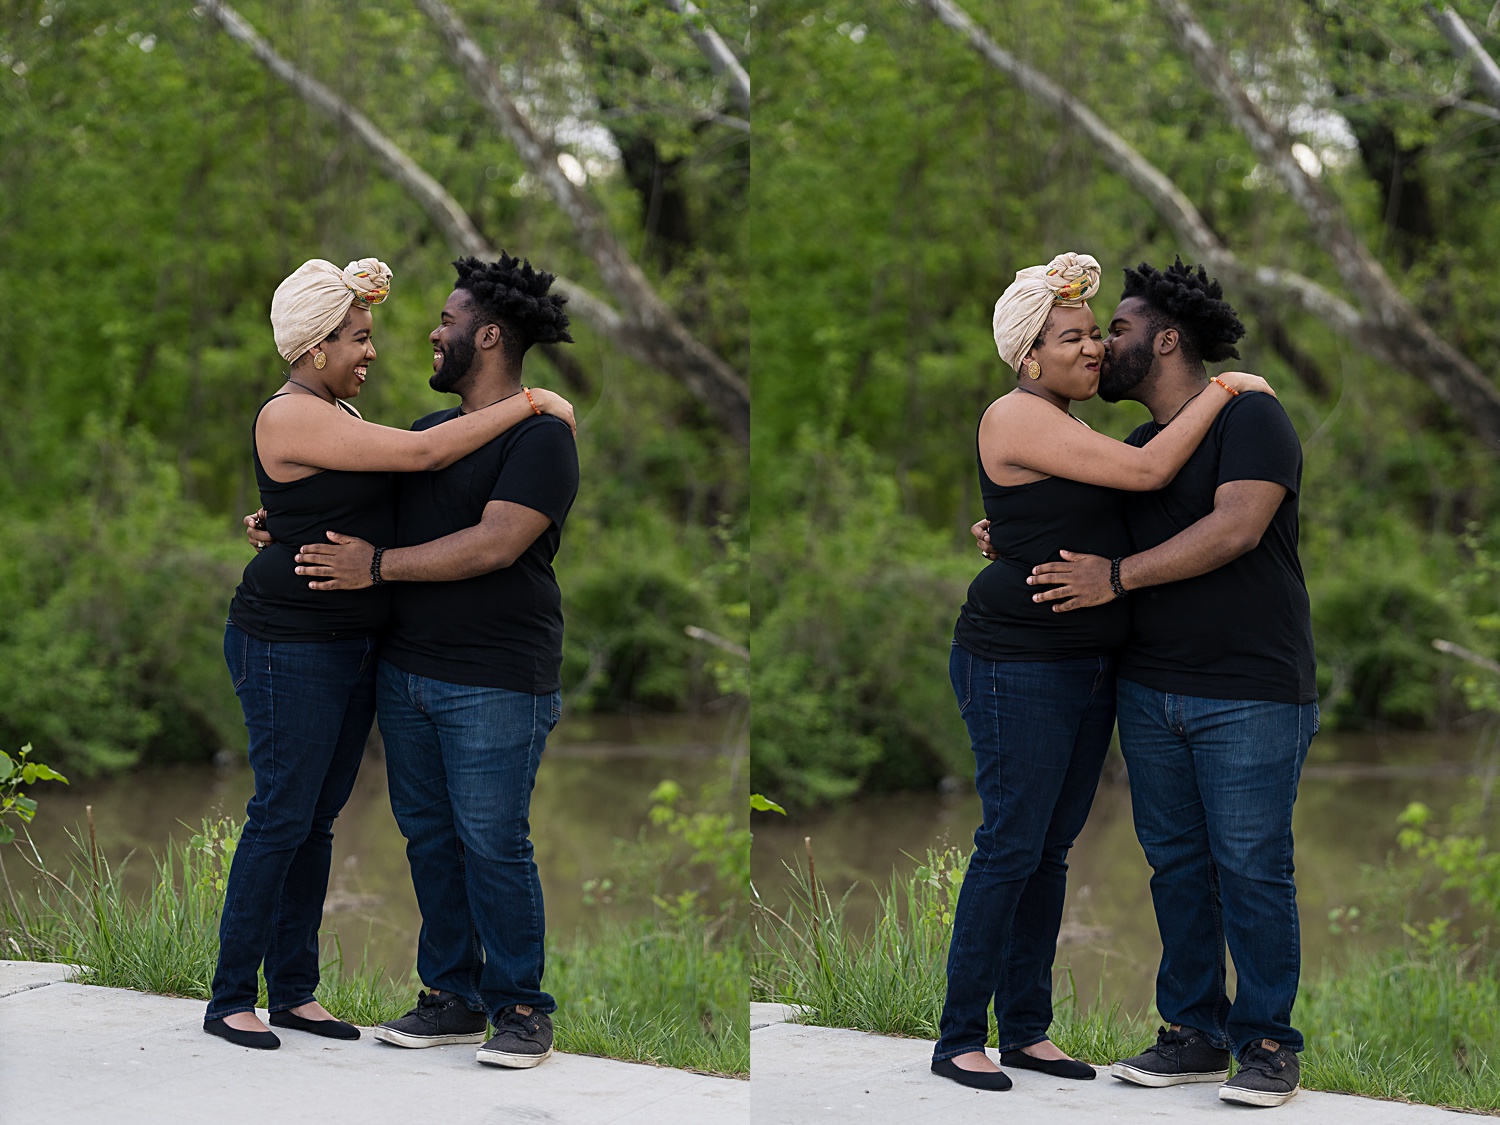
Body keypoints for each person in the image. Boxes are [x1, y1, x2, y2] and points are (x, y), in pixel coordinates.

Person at [207, 257, 575, 1052]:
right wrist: (286, 522)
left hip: (436, 665)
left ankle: (502, 1006)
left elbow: (470, 532)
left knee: (437, 835)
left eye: (442, 322)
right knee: (334, 824)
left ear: (486, 335)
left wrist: (308, 529)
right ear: (315, 349)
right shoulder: (383, 426)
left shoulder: (529, 437)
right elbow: (399, 472)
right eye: (360, 337)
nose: (411, 340)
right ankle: (255, 995)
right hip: (343, 653)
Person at [933, 252, 1273, 1092]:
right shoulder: (1017, 413)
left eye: (1096, 334)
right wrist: (1223, 391)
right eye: (1072, 337)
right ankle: (956, 1037)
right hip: (1018, 661)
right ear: (1028, 357)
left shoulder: (1069, 423)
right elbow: (1152, 472)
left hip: (1084, 663)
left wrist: (1006, 527)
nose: (1091, 349)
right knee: (1010, 844)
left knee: (1049, 851)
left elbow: (1084, 509)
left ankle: (1028, 1029)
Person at [1020, 258, 1317, 1108]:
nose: (1104, 345)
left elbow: (1235, 527)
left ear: (1168, 338)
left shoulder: (1252, 414)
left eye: (1116, 329)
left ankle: (1266, 1045)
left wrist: (1116, 577)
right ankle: (1194, 1033)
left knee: (1254, 867)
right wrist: (1001, 526)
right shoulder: (1146, 448)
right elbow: (1076, 511)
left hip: (1254, 689)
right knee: (1177, 866)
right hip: (1150, 690)